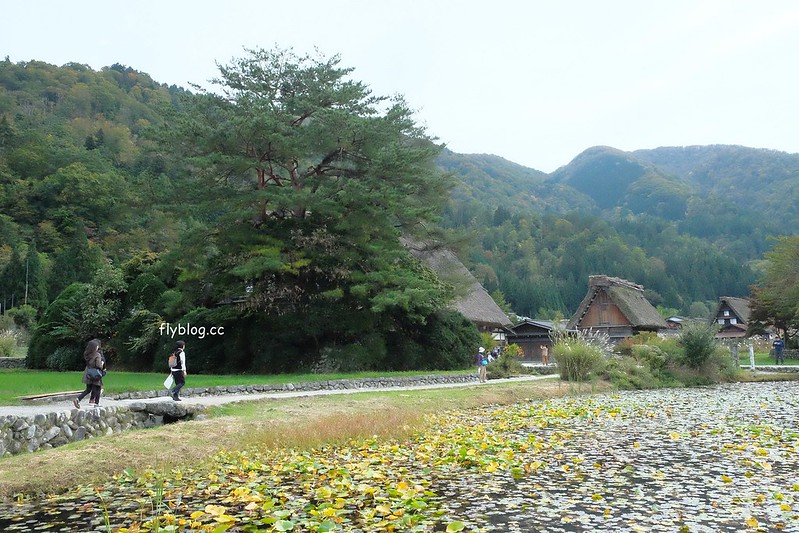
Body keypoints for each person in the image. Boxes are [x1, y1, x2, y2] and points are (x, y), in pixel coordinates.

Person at [73, 339, 105, 409]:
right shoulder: (97, 355)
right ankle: (96, 403)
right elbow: (98, 365)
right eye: (97, 346)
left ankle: (78, 399)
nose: (98, 347)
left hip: (88, 373)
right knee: (98, 388)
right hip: (95, 374)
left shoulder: (87, 354)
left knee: (88, 389)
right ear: (94, 347)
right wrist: (102, 364)